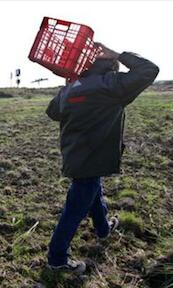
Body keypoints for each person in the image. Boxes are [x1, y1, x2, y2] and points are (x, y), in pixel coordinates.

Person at [45, 43, 159, 273]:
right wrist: (118, 54)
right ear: (110, 67)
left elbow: (52, 112)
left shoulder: (70, 89)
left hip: (76, 157)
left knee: (92, 189)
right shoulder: (111, 85)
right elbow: (149, 70)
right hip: (93, 157)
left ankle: (103, 229)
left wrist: (70, 84)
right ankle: (57, 258)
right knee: (75, 207)